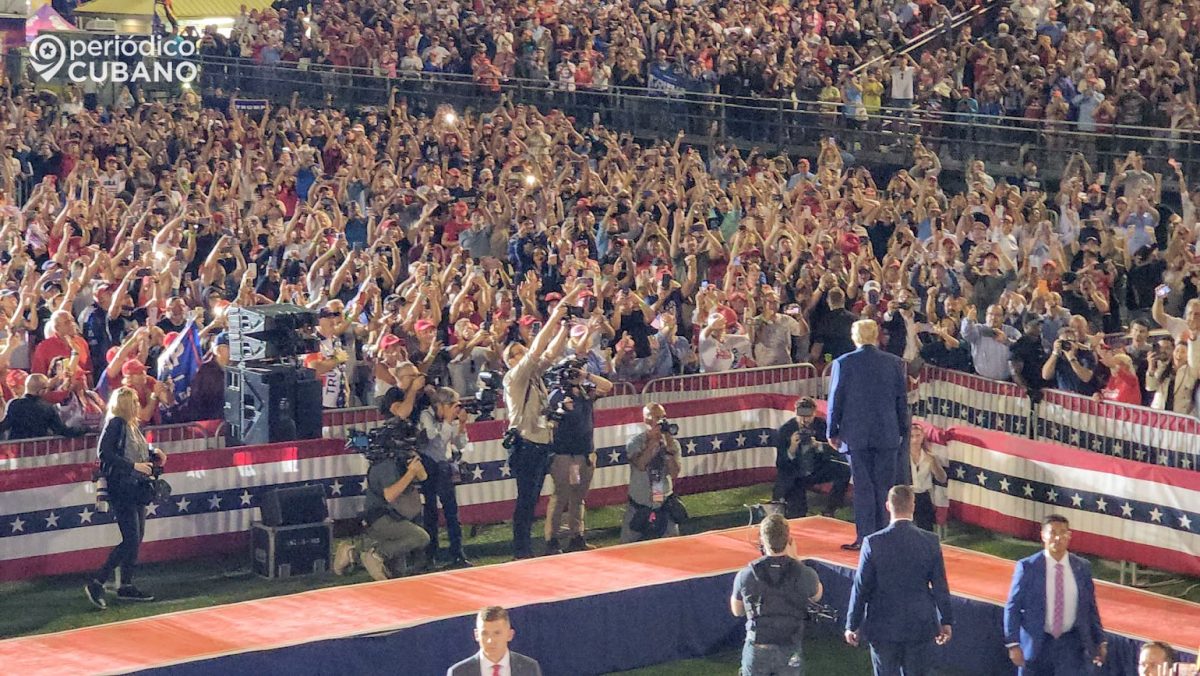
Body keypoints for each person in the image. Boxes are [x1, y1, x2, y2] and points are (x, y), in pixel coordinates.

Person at [503, 283, 582, 559]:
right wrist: (557, 314)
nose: (522, 355)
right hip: (526, 444)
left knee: (532, 499)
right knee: (526, 500)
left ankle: (525, 548)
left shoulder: (534, 376)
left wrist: (564, 328)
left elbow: (549, 354)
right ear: (510, 360)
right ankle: (520, 550)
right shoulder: (514, 377)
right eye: (516, 353)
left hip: (539, 443)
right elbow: (537, 350)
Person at [844, 485, 954, 676]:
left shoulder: (873, 543)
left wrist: (852, 624)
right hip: (919, 624)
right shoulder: (930, 542)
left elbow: (861, 587)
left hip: (882, 625)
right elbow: (940, 587)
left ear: (888, 506)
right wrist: (946, 620)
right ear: (913, 506)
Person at [827, 319, 910, 550]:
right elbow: (901, 400)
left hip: (856, 435)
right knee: (885, 488)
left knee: (863, 488)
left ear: (855, 338)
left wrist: (832, 431)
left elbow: (835, 400)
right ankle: (885, 536)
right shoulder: (893, 362)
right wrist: (902, 429)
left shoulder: (843, 363)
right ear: (876, 336)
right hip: (887, 434)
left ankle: (865, 538)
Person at [85, 387, 166, 609]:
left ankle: (126, 584)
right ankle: (98, 581)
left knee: (136, 537)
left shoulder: (131, 426)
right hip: (122, 486)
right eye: (134, 402)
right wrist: (134, 466)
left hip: (135, 485)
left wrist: (153, 454)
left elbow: (136, 449)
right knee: (131, 538)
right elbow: (105, 453)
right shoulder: (116, 423)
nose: (138, 405)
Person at [1004, 515, 1107, 675]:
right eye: (1052, 533)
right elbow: (1013, 606)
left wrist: (1100, 640)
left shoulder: (1082, 567)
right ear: (1043, 535)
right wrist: (1013, 644)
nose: (1058, 538)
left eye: (1063, 533)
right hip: (1038, 644)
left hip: (1071, 645)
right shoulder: (1028, 567)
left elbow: (1090, 607)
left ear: (1069, 536)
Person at [730, 513, 823, 676]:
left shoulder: (747, 574)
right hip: (789, 645)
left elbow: (737, 611)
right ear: (789, 539)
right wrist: (795, 559)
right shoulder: (805, 573)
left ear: (762, 540)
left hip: (758, 645)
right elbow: (816, 596)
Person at [544, 360, 613, 554]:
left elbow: (608, 386)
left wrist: (586, 376)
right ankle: (551, 540)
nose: (577, 374)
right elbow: (550, 420)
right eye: (573, 371)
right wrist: (562, 408)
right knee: (561, 496)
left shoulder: (585, 392)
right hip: (565, 454)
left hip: (585, 452)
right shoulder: (556, 395)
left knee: (579, 497)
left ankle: (577, 537)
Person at [340, 443, 432, 581]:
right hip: (381, 518)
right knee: (421, 537)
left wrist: (414, 464)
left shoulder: (400, 461)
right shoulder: (384, 465)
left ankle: (353, 554)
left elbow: (423, 477)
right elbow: (390, 495)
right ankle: (377, 554)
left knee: (395, 574)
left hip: (397, 517)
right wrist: (410, 473)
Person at [417, 387, 472, 568]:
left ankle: (457, 554)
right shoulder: (426, 415)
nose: (455, 410)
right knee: (430, 512)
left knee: (452, 512)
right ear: (440, 405)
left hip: (444, 467)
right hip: (429, 465)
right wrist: (448, 421)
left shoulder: (450, 420)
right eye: (452, 405)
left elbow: (460, 444)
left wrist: (461, 425)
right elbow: (437, 443)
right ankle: (430, 556)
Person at [773, 397, 850, 518]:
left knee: (844, 470)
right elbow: (781, 464)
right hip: (795, 474)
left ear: (814, 413)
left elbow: (836, 450)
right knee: (798, 513)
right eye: (801, 416)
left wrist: (819, 445)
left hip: (816, 468)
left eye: (808, 416)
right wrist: (792, 448)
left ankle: (831, 508)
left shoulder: (821, 425)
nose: (804, 420)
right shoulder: (785, 430)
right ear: (795, 413)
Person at [620, 402, 684, 543]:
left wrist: (668, 450)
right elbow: (640, 464)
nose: (661, 421)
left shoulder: (672, 444)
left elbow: (674, 473)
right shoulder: (635, 442)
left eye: (663, 417)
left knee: (673, 546)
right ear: (647, 420)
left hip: (664, 503)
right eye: (657, 417)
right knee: (627, 547)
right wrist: (653, 443)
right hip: (639, 505)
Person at [446, 606, 542, 676]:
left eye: (497, 633)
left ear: (510, 635)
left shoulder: (529, 668)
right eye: (485, 633)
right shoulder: (458, 672)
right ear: (476, 635)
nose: (490, 640)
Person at [0, 373, 86, 439]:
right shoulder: (48, 408)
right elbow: (61, 430)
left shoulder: (14, 404)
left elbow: (5, 425)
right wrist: (84, 429)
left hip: (17, 451)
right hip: (39, 451)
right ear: (42, 390)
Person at [908, 427, 947, 532]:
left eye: (918, 436)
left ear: (923, 437)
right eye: (912, 436)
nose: (915, 440)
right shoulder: (902, 456)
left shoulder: (929, 457)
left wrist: (935, 465)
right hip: (907, 495)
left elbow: (942, 479)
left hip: (923, 496)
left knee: (926, 529)